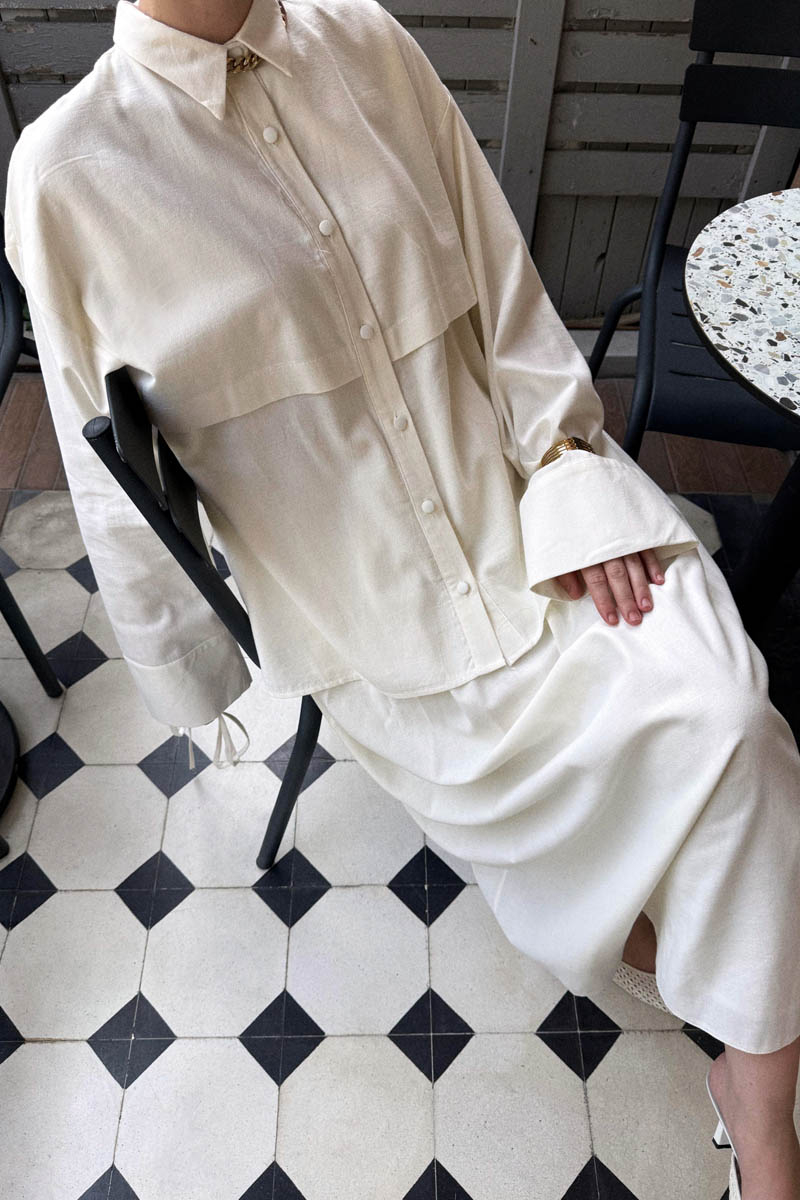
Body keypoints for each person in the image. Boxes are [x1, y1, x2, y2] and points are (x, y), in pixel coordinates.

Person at [4, 0, 800, 1193]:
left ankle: (755, 1096)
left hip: (525, 507)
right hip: (357, 604)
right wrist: (193, 675)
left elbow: (504, 290)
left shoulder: (366, 40)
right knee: (646, 789)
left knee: (733, 719)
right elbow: (114, 485)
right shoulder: (68, 171)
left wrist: (569, 472)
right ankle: (729, 1016)